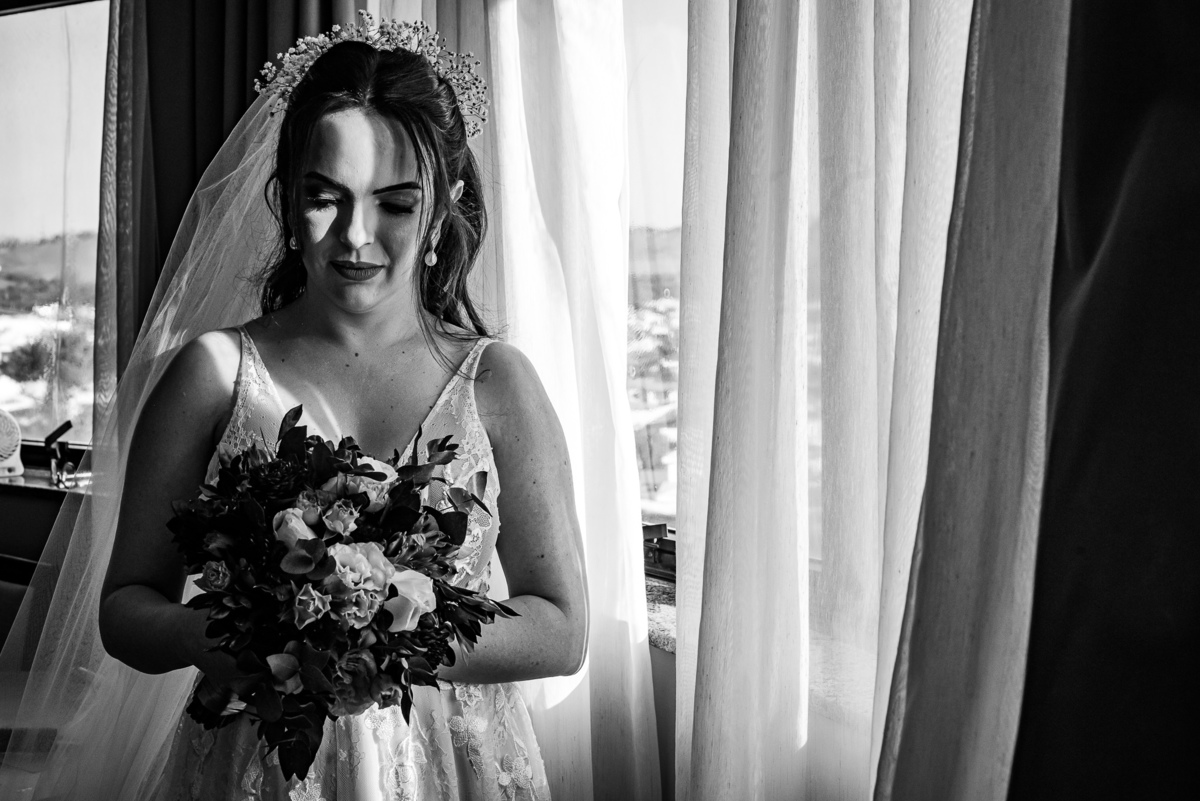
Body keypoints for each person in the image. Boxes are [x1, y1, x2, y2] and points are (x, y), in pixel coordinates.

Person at [4, 19, 588, 801]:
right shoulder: (213, 374)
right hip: (257, 763)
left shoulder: (497, 383)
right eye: (324, 198)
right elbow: (124, 606)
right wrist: (228, 639)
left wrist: (387, 639)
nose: (356, 235)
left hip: (454, 767)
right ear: (285, 198)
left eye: (395, 203)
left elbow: (562, 628)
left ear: (444, 209)